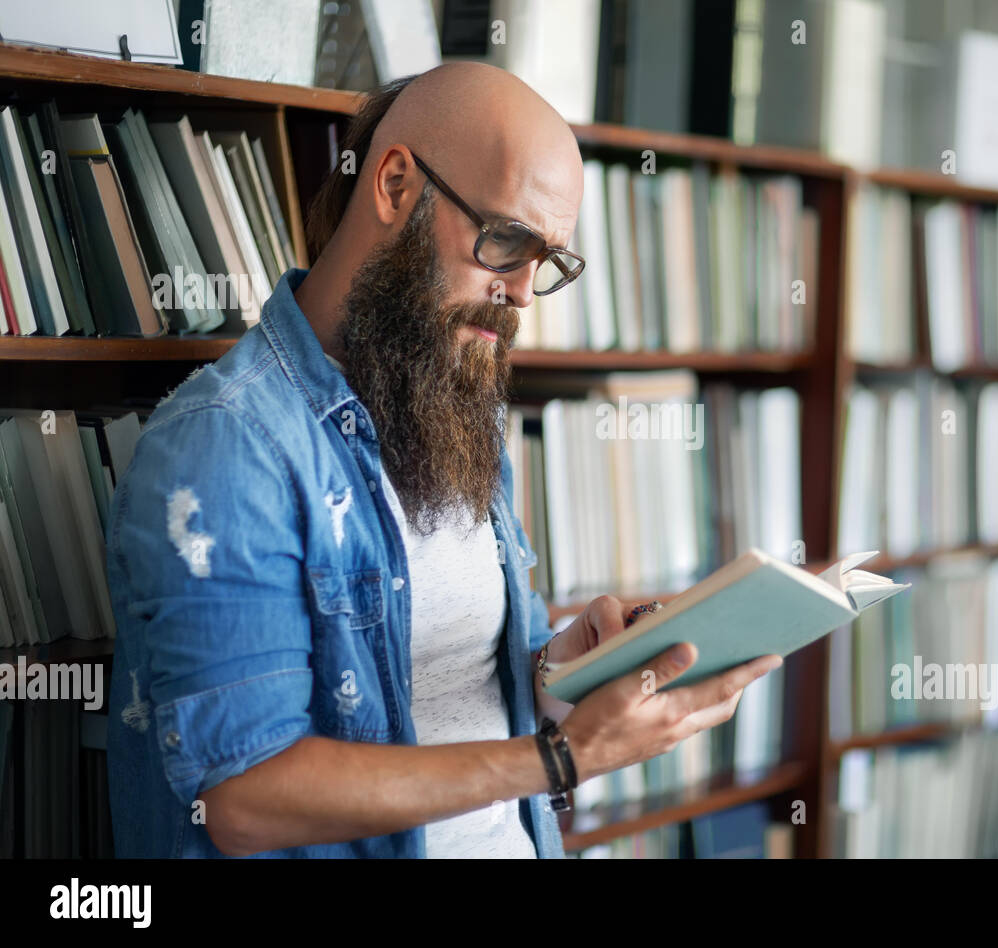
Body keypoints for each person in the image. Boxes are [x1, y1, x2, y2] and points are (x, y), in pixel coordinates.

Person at [105, 61, 781, 858]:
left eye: (548, 263)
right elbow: (246, 798)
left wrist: (564, 670)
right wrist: (558, 759)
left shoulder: (451, 403)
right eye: (505, 242)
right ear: (394, 185)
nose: (524, 294)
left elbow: (458, 686)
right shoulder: (229, 444)